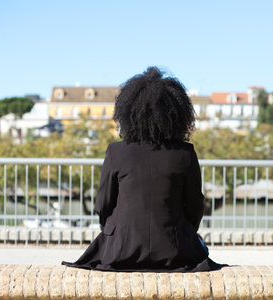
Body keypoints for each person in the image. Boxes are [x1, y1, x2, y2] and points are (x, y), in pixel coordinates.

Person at [62, 67, 224, 272]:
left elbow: (103, 205)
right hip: (175, 251)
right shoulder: (184, 153)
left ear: (128, 112)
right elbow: (194, 206)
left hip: (120, 251)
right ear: (177, 114)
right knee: (202, 250)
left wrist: (117, 231)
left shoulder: (116, 152)